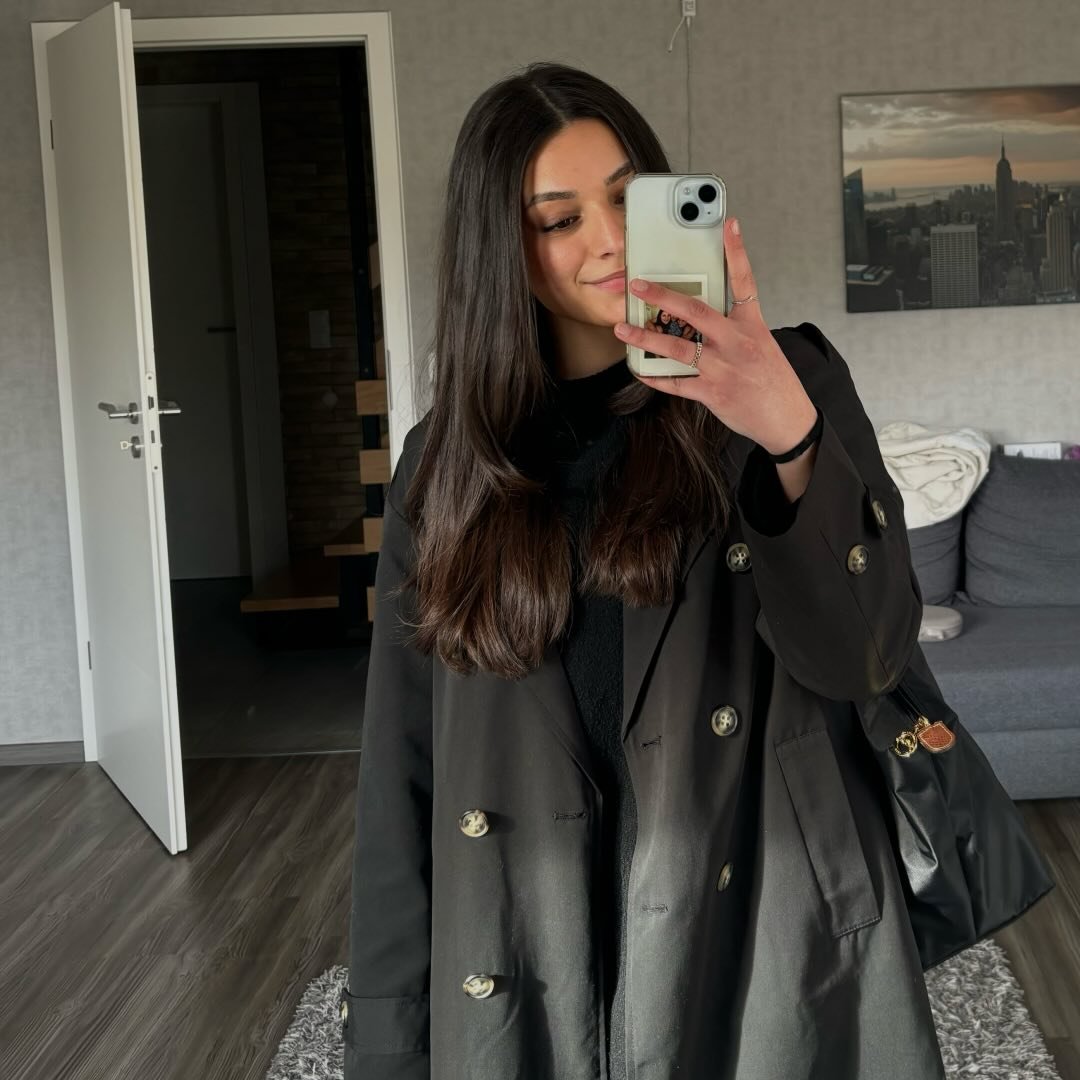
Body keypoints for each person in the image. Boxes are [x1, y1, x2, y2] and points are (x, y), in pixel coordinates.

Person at [341, 61, 945, 1080]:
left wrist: (787, 432)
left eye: (629, 199)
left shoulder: (785, 386)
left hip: (759, 927)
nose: (611, 239)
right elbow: (401, 770)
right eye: (559, 218)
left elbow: (866, 657)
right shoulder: (442, 469)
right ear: (502, 250)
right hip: (527, 936)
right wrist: (388, 1040)